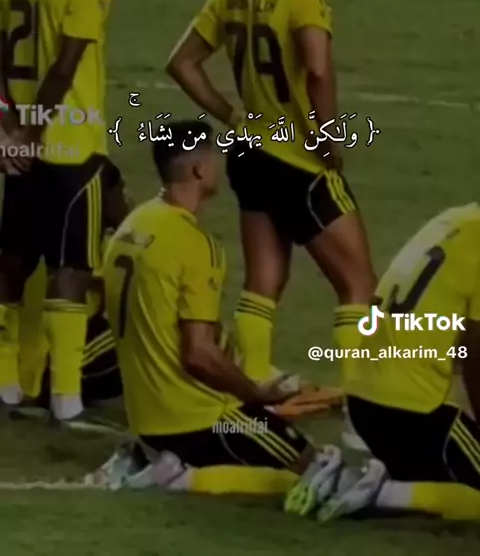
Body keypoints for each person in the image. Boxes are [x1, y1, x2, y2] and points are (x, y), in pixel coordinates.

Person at [165, 0, 377, 386]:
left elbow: (182, 63)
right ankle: (364, 404)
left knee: (263, 281)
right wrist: (328, 138)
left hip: (249, 152)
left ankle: (254, 381)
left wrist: (231, 116)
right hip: (297, 156)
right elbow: (318, 70)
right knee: (358, 285)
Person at [104, 120, 314, 492]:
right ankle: (179, 477)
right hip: (197, 418)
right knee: (314, 469)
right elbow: (198, 355)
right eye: (214, 157)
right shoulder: (194, 242)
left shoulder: (133, 225)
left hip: (146, 419)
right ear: (199, 170)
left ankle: (158, 462)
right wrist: (255, 394)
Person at [0, 0, 127, 427]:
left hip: (19, 151)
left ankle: (7, 385)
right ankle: (67, 399)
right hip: (70, 147)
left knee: (11, 264)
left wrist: (9, 132)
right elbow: (65, 64)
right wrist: (32, 133)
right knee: (70, 269)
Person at [285, 203, 480, 522]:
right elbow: (475, 355)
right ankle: (379, 493)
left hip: (364, 403)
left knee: (443, 479)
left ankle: (344, 479)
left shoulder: (452, 222)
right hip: (417, 413)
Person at [14, 158, 131, 418]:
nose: (127, 201)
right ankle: (60, 393)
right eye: (121, 192)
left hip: (20, 360)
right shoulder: (82, 246)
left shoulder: (41, 227)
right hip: (45, 366)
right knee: (145, 331)